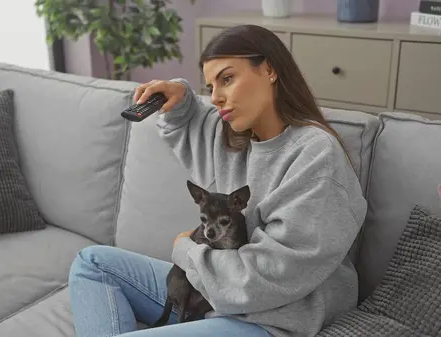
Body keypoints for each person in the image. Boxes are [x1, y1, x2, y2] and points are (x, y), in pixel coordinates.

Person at [68, 24, 367, 337]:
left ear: (269, 69)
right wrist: (180, 98)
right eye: (211, 86)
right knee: (93, 264)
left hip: (276, 321)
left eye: (227, 79)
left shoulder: (315, 155)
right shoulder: (233, 135)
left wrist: (184, 250)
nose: (216, 98)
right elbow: (191, 121)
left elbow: (267, 277)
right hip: (212, 298)